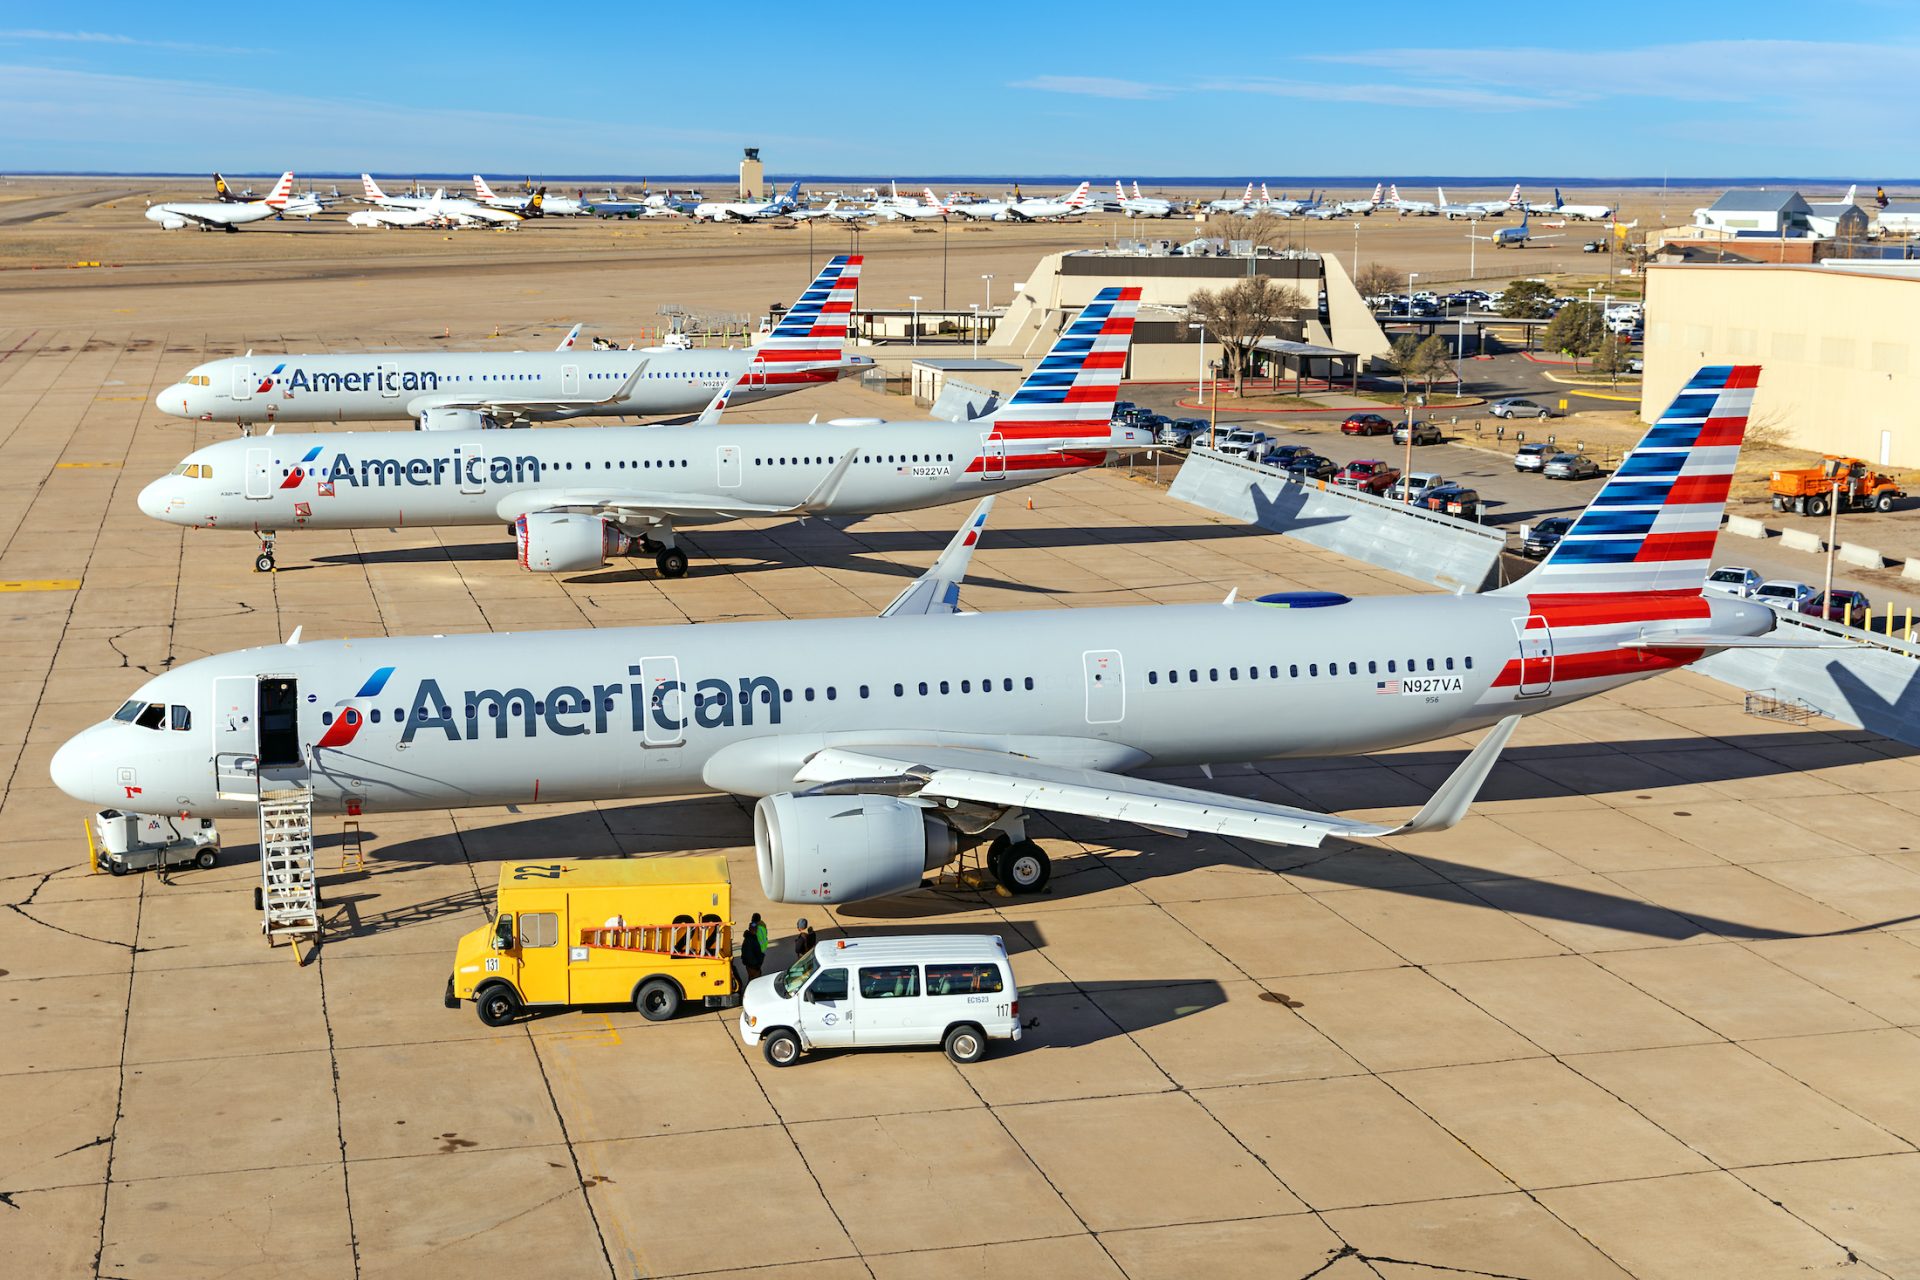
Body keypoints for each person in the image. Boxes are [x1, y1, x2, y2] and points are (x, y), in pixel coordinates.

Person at [740, 912, 768, 980]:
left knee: (753, 978)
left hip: (755, 959)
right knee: (755, 978)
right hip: (759, 954)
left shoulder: (750, 938)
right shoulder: (762, 926)